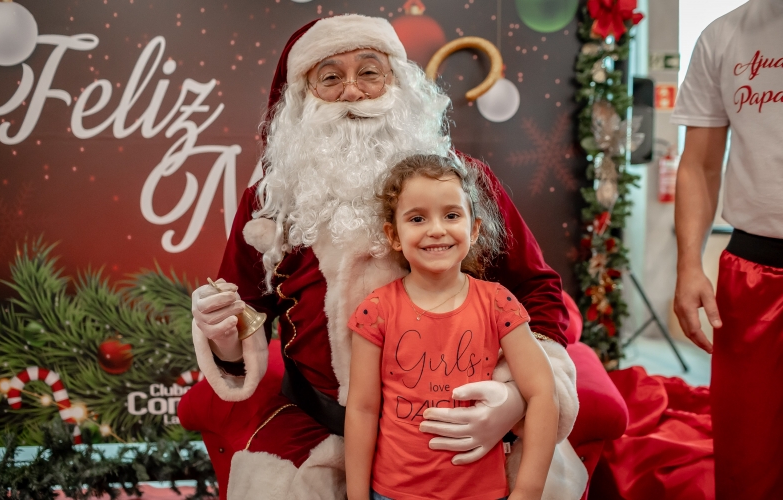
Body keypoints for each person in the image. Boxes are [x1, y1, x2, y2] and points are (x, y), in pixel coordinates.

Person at [180, 14, 584, 499]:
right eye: (331, 77)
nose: (353, 91)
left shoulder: (462, 184)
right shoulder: (270, 201)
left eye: (370, 72)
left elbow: (536, 289)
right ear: (303, 97)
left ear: (399, 82)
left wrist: (514, 398)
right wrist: (225, 335)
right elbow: (245, 310)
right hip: (323, 421)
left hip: (458, 420)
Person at [345, 154, 558, 500]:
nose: (436, 229)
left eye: (452, 215)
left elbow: (543, 393)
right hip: (393, 493)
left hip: (483, 494)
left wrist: (528, 491)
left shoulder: (498, 304)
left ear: (473, 229)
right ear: (394, 235)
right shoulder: (376, 311)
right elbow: (362, 410)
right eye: (417, 218)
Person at [671, 0, 783, 498]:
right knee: (749, 456)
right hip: (755, 275)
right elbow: (699, 164)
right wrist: (688, 264)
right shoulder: (723, 36)